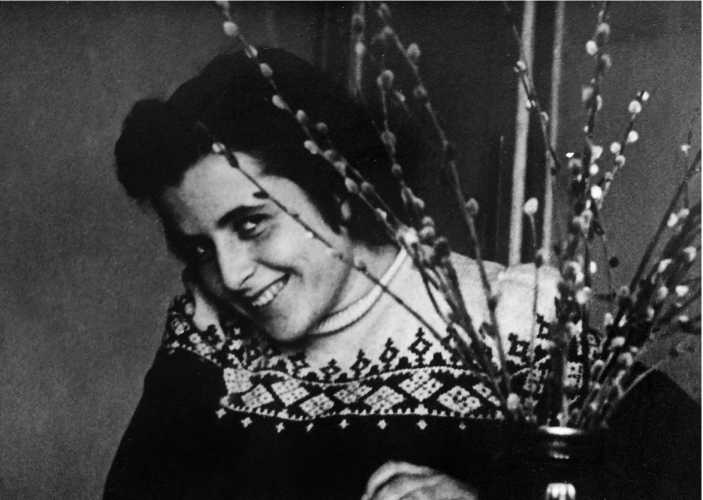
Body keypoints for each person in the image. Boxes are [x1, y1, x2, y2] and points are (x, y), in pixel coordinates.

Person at [105, 48, 699, 500]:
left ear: (338, 188)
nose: (231, 275)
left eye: (251, 224)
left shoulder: (519, 328)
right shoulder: (207, 337)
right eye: (200, 249)